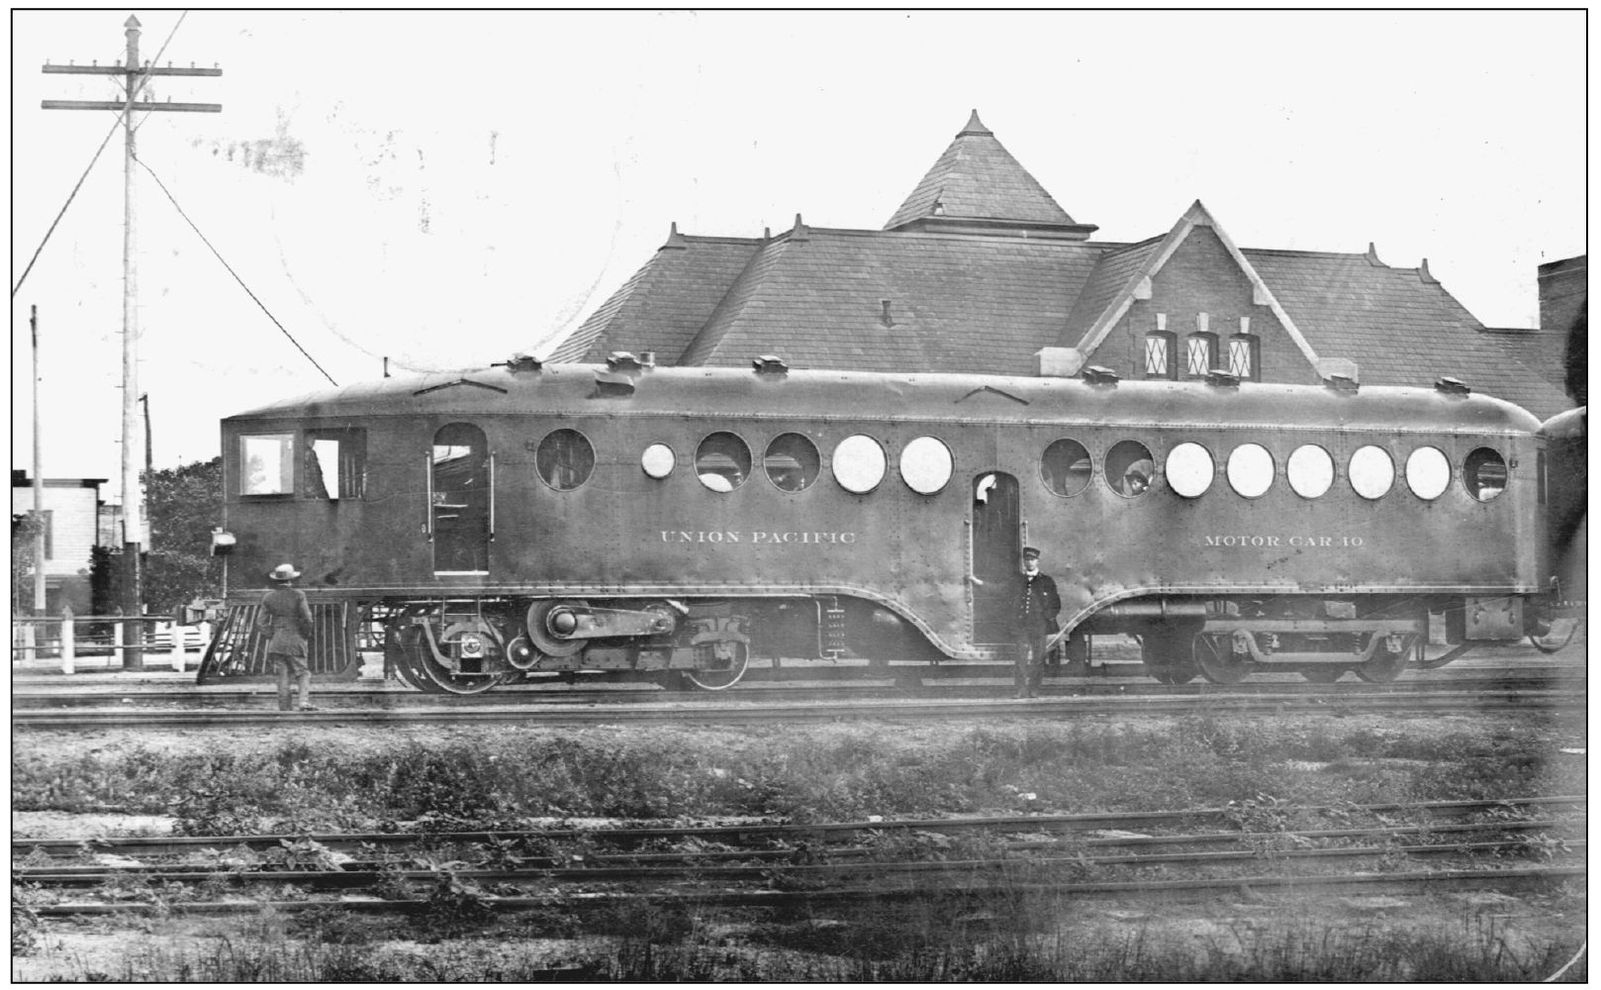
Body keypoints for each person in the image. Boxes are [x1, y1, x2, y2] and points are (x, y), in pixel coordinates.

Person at [260, 563, 317, 711]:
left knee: (282, 676)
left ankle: (285, 708)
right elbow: (307, 619)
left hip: (276, 643)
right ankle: (303, 702)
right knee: (303, 673)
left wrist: (272, 635)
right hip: (296, 639)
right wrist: (305, 634)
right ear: (291, 580)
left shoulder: (268, 597)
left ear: (276, 580)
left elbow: (261, 623)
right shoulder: (299, 595)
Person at [1014, 546, 1061, 699]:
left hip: (1039, 626)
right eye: (1027, 560)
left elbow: (1056, 603)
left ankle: (1034, 689)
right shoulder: (1018, 580)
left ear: (1037, 561)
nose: (1029, 563)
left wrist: (1047, 617)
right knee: (1020, 658)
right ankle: (1020, 690)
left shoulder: (1046, 581)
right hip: (1022, 626)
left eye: (1032, 560)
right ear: (1024, 562)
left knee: (1038, 659)